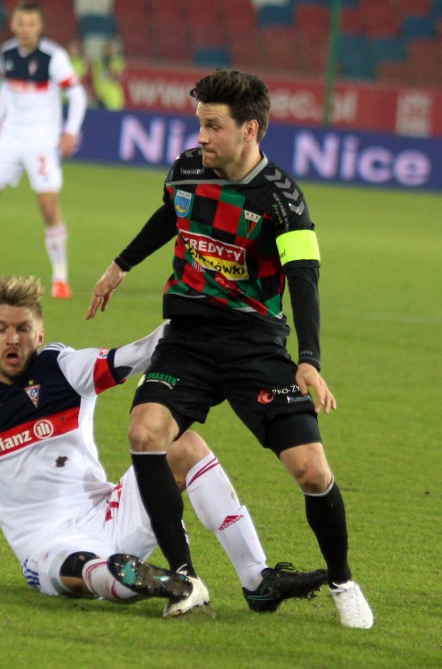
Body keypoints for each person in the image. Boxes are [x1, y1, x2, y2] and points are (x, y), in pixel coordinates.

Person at [0, 276, 326, 615]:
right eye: (0, 328)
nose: (12, 339)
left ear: (39, 333)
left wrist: (191, 318)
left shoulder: (64, 369)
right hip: (44, 542)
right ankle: (148, 581)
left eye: (23, 328)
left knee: (180, 442)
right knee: (83, 572)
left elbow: (138, 354)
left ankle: (255, 579)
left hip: (111, 509)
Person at [86, 69, 373, 628]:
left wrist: (309, 360)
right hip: (188, 339)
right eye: (200, 124)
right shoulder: (188, 170)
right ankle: (185, 577)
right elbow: (172, 213)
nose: (202, 137)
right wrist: (121, 265)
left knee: (312, 472)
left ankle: (342, 580)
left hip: (254, 346)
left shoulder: (284, 200)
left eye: (213, 127)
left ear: (251, 130)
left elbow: (304, 278)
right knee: (145, 431)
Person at [0, 3, 88, 300]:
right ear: (13, 25)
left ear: (40, 27)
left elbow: (77, 96)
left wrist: (70, 132)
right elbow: (7, 89)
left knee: (49, 208)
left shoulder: (54, 57)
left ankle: (60, 277)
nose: (25, 29)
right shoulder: (8, 52)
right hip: (10, 136)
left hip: (41, 141)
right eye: (20, 23)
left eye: (31, 24)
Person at [92, 39, 126, 111]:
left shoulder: (118, 62)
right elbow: (96, 79)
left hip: (114, 98)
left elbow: (120, 77)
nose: (109, 52)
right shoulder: (99, 63)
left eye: (111, 49)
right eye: (107, 49)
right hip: (101, 97)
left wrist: (111, 72)